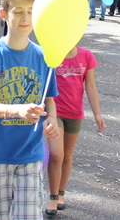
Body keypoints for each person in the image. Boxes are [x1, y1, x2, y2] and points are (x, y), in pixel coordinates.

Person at [0, 0, 59, 220]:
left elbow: (49, 98)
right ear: (3, 14)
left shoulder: (44, 56)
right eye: (18, 11)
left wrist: (51, 118)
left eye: (31, 12)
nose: (25, 18)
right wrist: (16, 110)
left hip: (30, 154)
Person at [45, 45, 106, 217]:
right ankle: (53, 196)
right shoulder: (52, 55)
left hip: (75, 113)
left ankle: (61, 192)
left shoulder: (86, 55)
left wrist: (97, 114)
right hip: (54, 113)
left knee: (67, 155)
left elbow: (91, 86)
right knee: (56, 154)